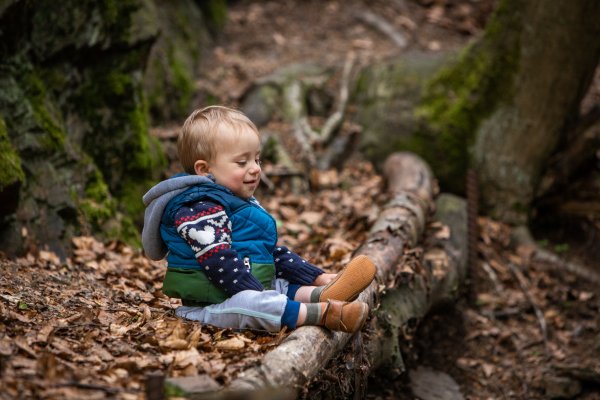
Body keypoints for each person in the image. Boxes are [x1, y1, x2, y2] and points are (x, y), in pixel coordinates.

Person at [142, 105, 376, 333]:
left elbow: (268, 252)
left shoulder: (233, 202)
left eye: (257, 159)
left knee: (279, 285)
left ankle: (324, 293)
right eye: (242, 162)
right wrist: (259, 294)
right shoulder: (198, 208)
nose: (255, 169)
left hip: (237, 287)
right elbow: (218, 260)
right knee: (256, 305)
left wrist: (316, 277)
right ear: (205, 170)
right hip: (209, 306)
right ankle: (324, 314)